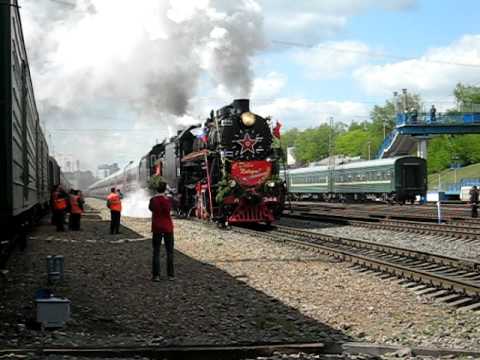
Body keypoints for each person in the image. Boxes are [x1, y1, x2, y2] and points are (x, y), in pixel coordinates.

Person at [149, 181, 175, 282]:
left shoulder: (153, 200)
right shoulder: (167, 199)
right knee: (169, 252)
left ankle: (156, 276)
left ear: (156, 189)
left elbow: (151, 209)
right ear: (165, 189)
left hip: (157, 228)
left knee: (156, 252)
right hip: (168, 227)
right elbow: (169, 209)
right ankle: (171, 275)